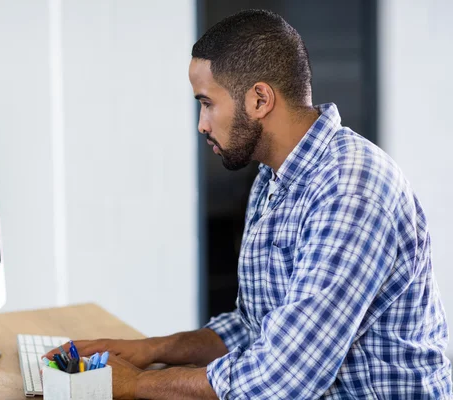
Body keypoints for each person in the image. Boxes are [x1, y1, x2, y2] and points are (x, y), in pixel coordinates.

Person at [45, 9, 452, 399]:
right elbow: (255, 329)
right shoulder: (274, 176)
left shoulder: (350, 188)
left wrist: (134, 384)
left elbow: (283, 376)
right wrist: (149, 351)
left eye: (207, 103)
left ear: (259, 100)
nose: (202, 124)